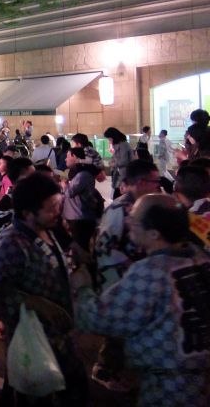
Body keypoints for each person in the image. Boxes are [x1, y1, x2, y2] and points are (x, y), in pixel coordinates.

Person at [71, 194, 210, 406]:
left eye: (134, 219)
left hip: (169, 388)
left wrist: (83, 288)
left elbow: (100, 318)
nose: (128, 221)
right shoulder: (200, 259)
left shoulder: (150, 272)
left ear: (154, 233)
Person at [0, 172, 88, 407]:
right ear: (27, 213)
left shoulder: (48, 231)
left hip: (59, 338)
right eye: (51, 208)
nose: (57, 212)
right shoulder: (11, 242)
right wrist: (33, 304)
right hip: (34, 338)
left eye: (58, 205)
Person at [91, 159, 160, 391]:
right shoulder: (119, 209)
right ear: (140, 182)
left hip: (136, 279)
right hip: (120, 280)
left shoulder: (144, 206)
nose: (157, 185)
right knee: (119, 331)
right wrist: (129, 269)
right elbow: (103, 247)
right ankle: (104, 369)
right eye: (154, 181)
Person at [62, 146, 102, 253]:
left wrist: (64, 185)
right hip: (79, 218)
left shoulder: (82, 175)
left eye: (68, 156)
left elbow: (69, 193)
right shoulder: (83, 174)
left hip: (80, 219)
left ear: (75, 157)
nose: (65, 159)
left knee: (81, 249)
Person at [104, 127, 134, 198]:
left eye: (109, 138)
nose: (109, 140)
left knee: (119, 195)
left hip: (124, 174)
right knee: (118, 194)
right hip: (120, 174)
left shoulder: (123, 145)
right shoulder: (118, 145)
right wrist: (111, 162)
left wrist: (114, 164)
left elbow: (124, 160)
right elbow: (115, 157)